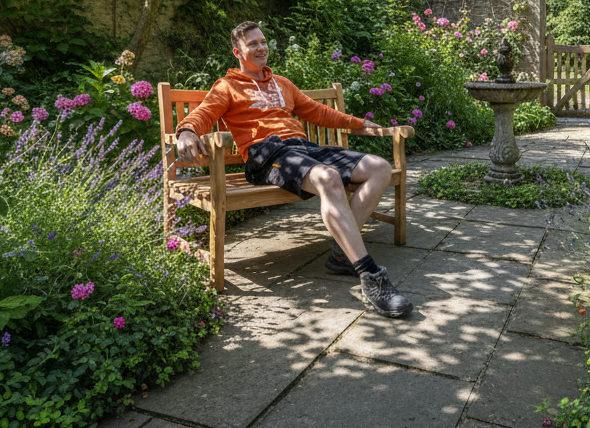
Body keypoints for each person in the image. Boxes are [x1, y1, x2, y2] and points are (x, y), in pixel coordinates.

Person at [174, 21, 413, 318]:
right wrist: (186, 131)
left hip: (303, 148)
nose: (262, 48)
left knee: (378, 167)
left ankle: (341, 255)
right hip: (266, 153)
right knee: (329, 178)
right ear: (238, 51)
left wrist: (360, 123)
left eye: (264, 41)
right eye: (253, 44)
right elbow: (203, 114)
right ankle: (371, 276)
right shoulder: (227, 87)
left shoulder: (283, 83)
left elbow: (319, 112)